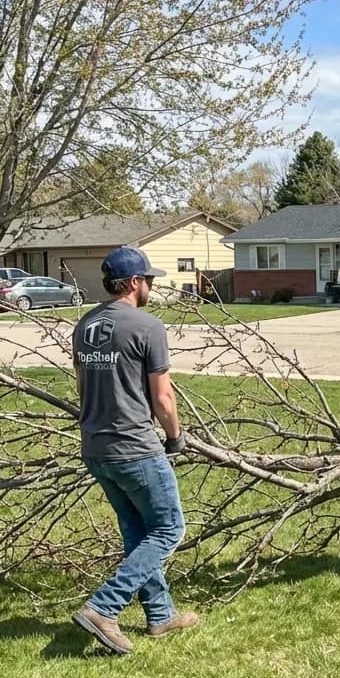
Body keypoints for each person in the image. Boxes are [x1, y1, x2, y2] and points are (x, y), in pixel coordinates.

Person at [70, 246, 198, 653]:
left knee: (137, 531)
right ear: (134, 282)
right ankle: (103, 607)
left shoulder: (85, 325)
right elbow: (163, 398)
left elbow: (82, 386)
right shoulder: (147, 326)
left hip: (96, 446)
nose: (151, 287)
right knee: (169, 529)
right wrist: (176, 437)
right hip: (134, 447)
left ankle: (160, 615)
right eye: (149, 280)